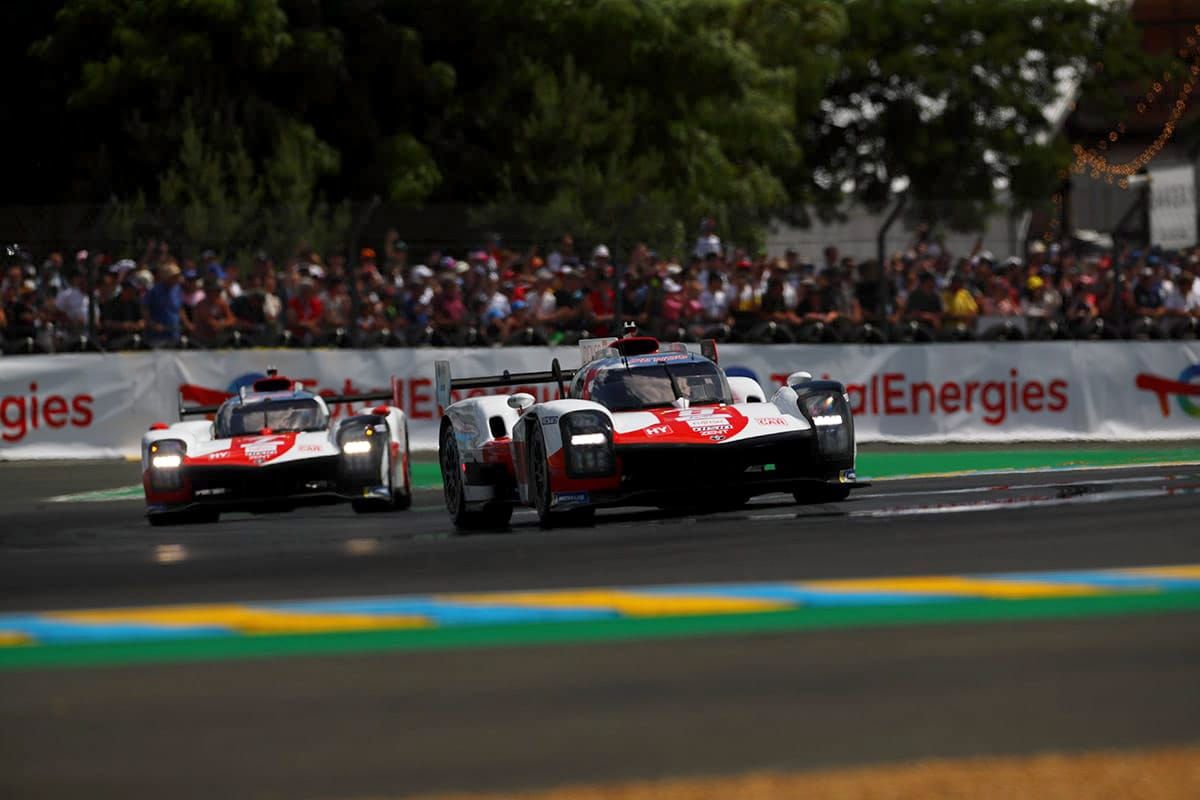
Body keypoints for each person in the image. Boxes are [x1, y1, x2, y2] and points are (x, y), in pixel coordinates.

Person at [144, 263, 185, 347]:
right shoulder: (153, 291)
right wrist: (153, 324)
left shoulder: (178, 289)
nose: (177, 279)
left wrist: (186, 323)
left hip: (174, 332)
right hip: (157, 336)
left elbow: (180, 308)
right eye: (174, 277)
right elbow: (145, 309)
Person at [100, 278, 146, 349]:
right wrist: (124, 325)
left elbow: (142, 321)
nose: (133, 292)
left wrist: (139, 324)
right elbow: (106, 323)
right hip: (115, 339)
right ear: (124, 290)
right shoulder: (112, 303)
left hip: (133, 338)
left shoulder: (135, 303)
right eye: (131, 290)